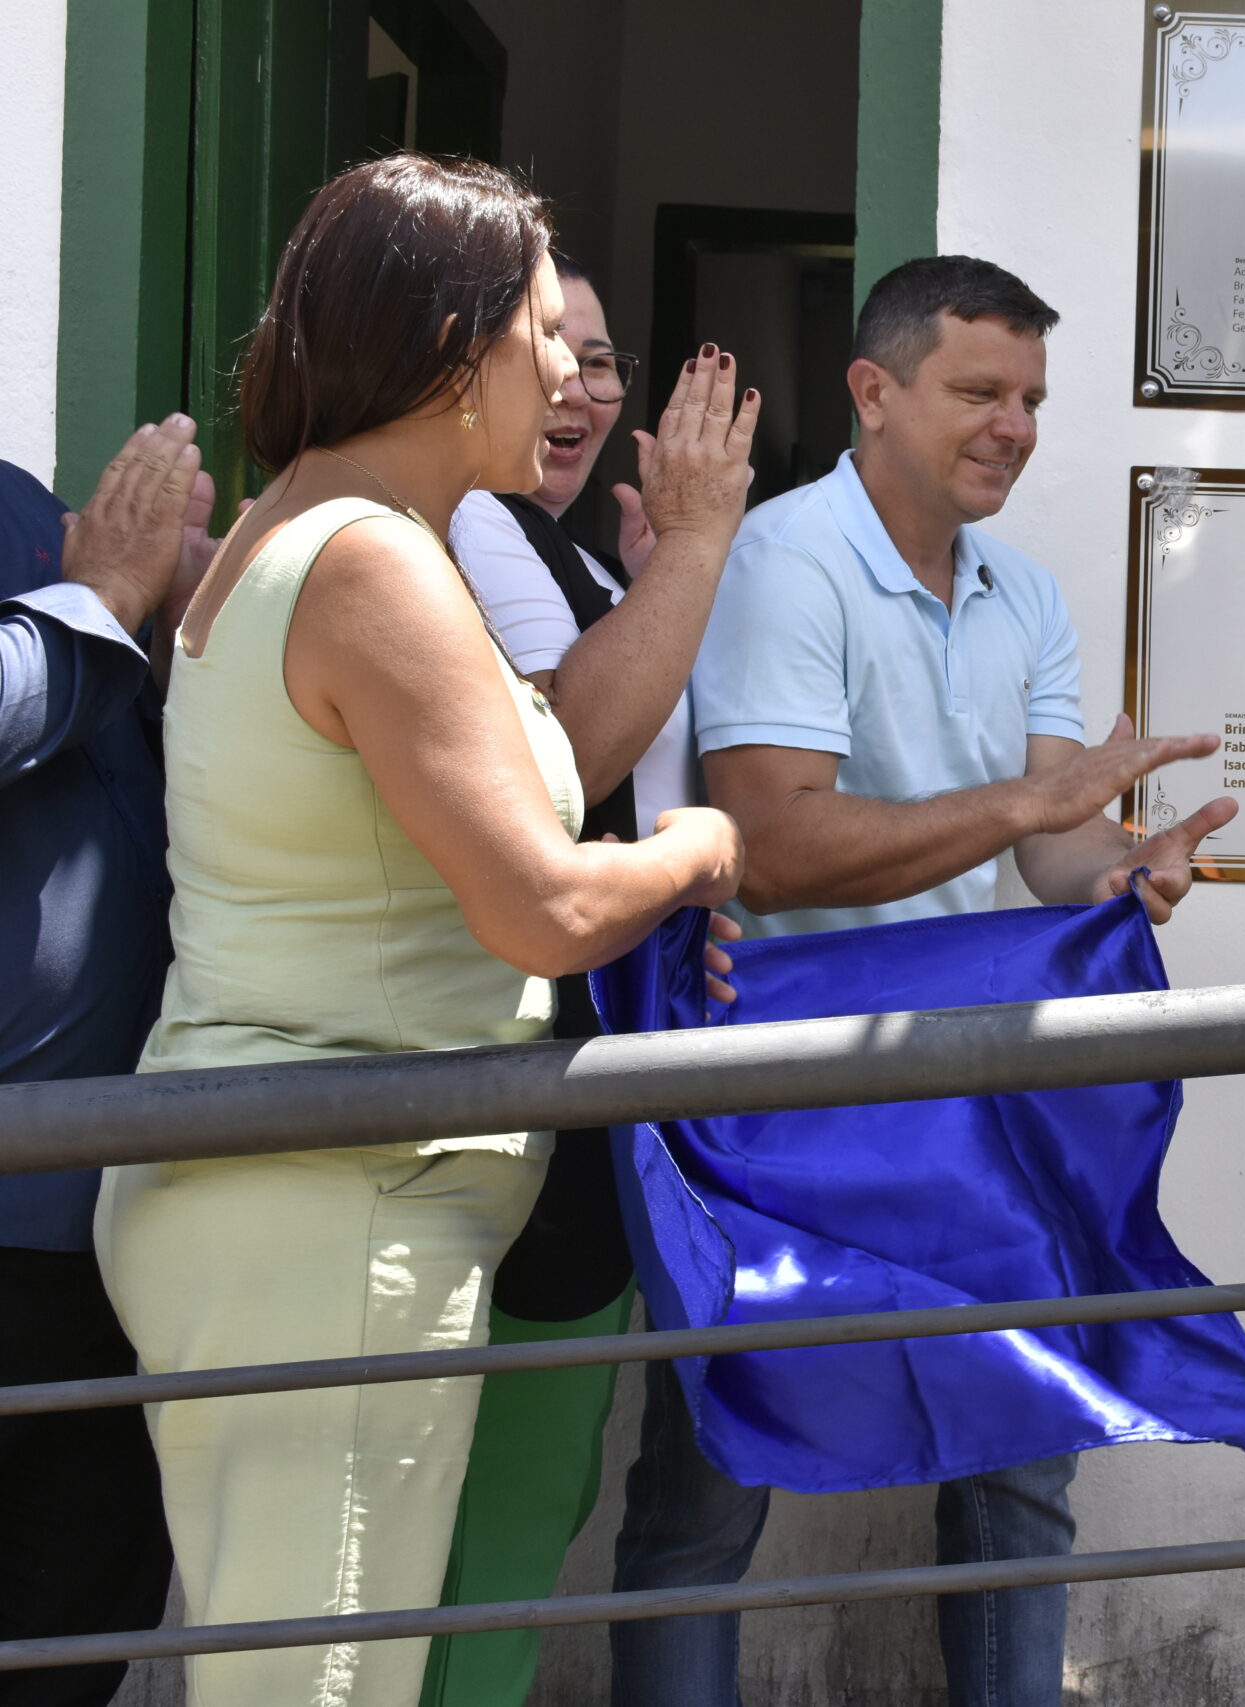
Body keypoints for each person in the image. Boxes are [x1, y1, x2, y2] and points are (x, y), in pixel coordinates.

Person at [92, 153, 746, 1707]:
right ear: (455, 346)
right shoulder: (372, 558)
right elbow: (540, 898)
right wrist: (700, 852)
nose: (570, 371)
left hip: (330, 1193)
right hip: (331, 1207)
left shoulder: (331, 528)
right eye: (544, 330)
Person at [610, 255, 1234, 1707]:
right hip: (774, 1102)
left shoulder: (1026, 587)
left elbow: (1052, 846)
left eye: (1029, 398)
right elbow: (771, 843)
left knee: (1023, 1476)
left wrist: (1127, 869)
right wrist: (1036, 816)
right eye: (978, 390)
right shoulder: (780, 558)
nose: (1013, 424)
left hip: (977, 1097)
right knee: (709, 1494)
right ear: (873, 393)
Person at [421, 249, 754, 1706]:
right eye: (550, 346)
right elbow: (579, 772)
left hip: (588, 1094)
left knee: (529, 1505)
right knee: (492, 1520)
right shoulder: (467, 533)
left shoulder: (570, 554)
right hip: (508, 1093)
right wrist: (691, 547)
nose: (580, 385)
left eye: (604, 361)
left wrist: (686, 897)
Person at [0, 421, 212, 1705]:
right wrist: (108, 598)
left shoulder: (21, 500)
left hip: (110, 1225)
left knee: (82, 1621)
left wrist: (180, 626)